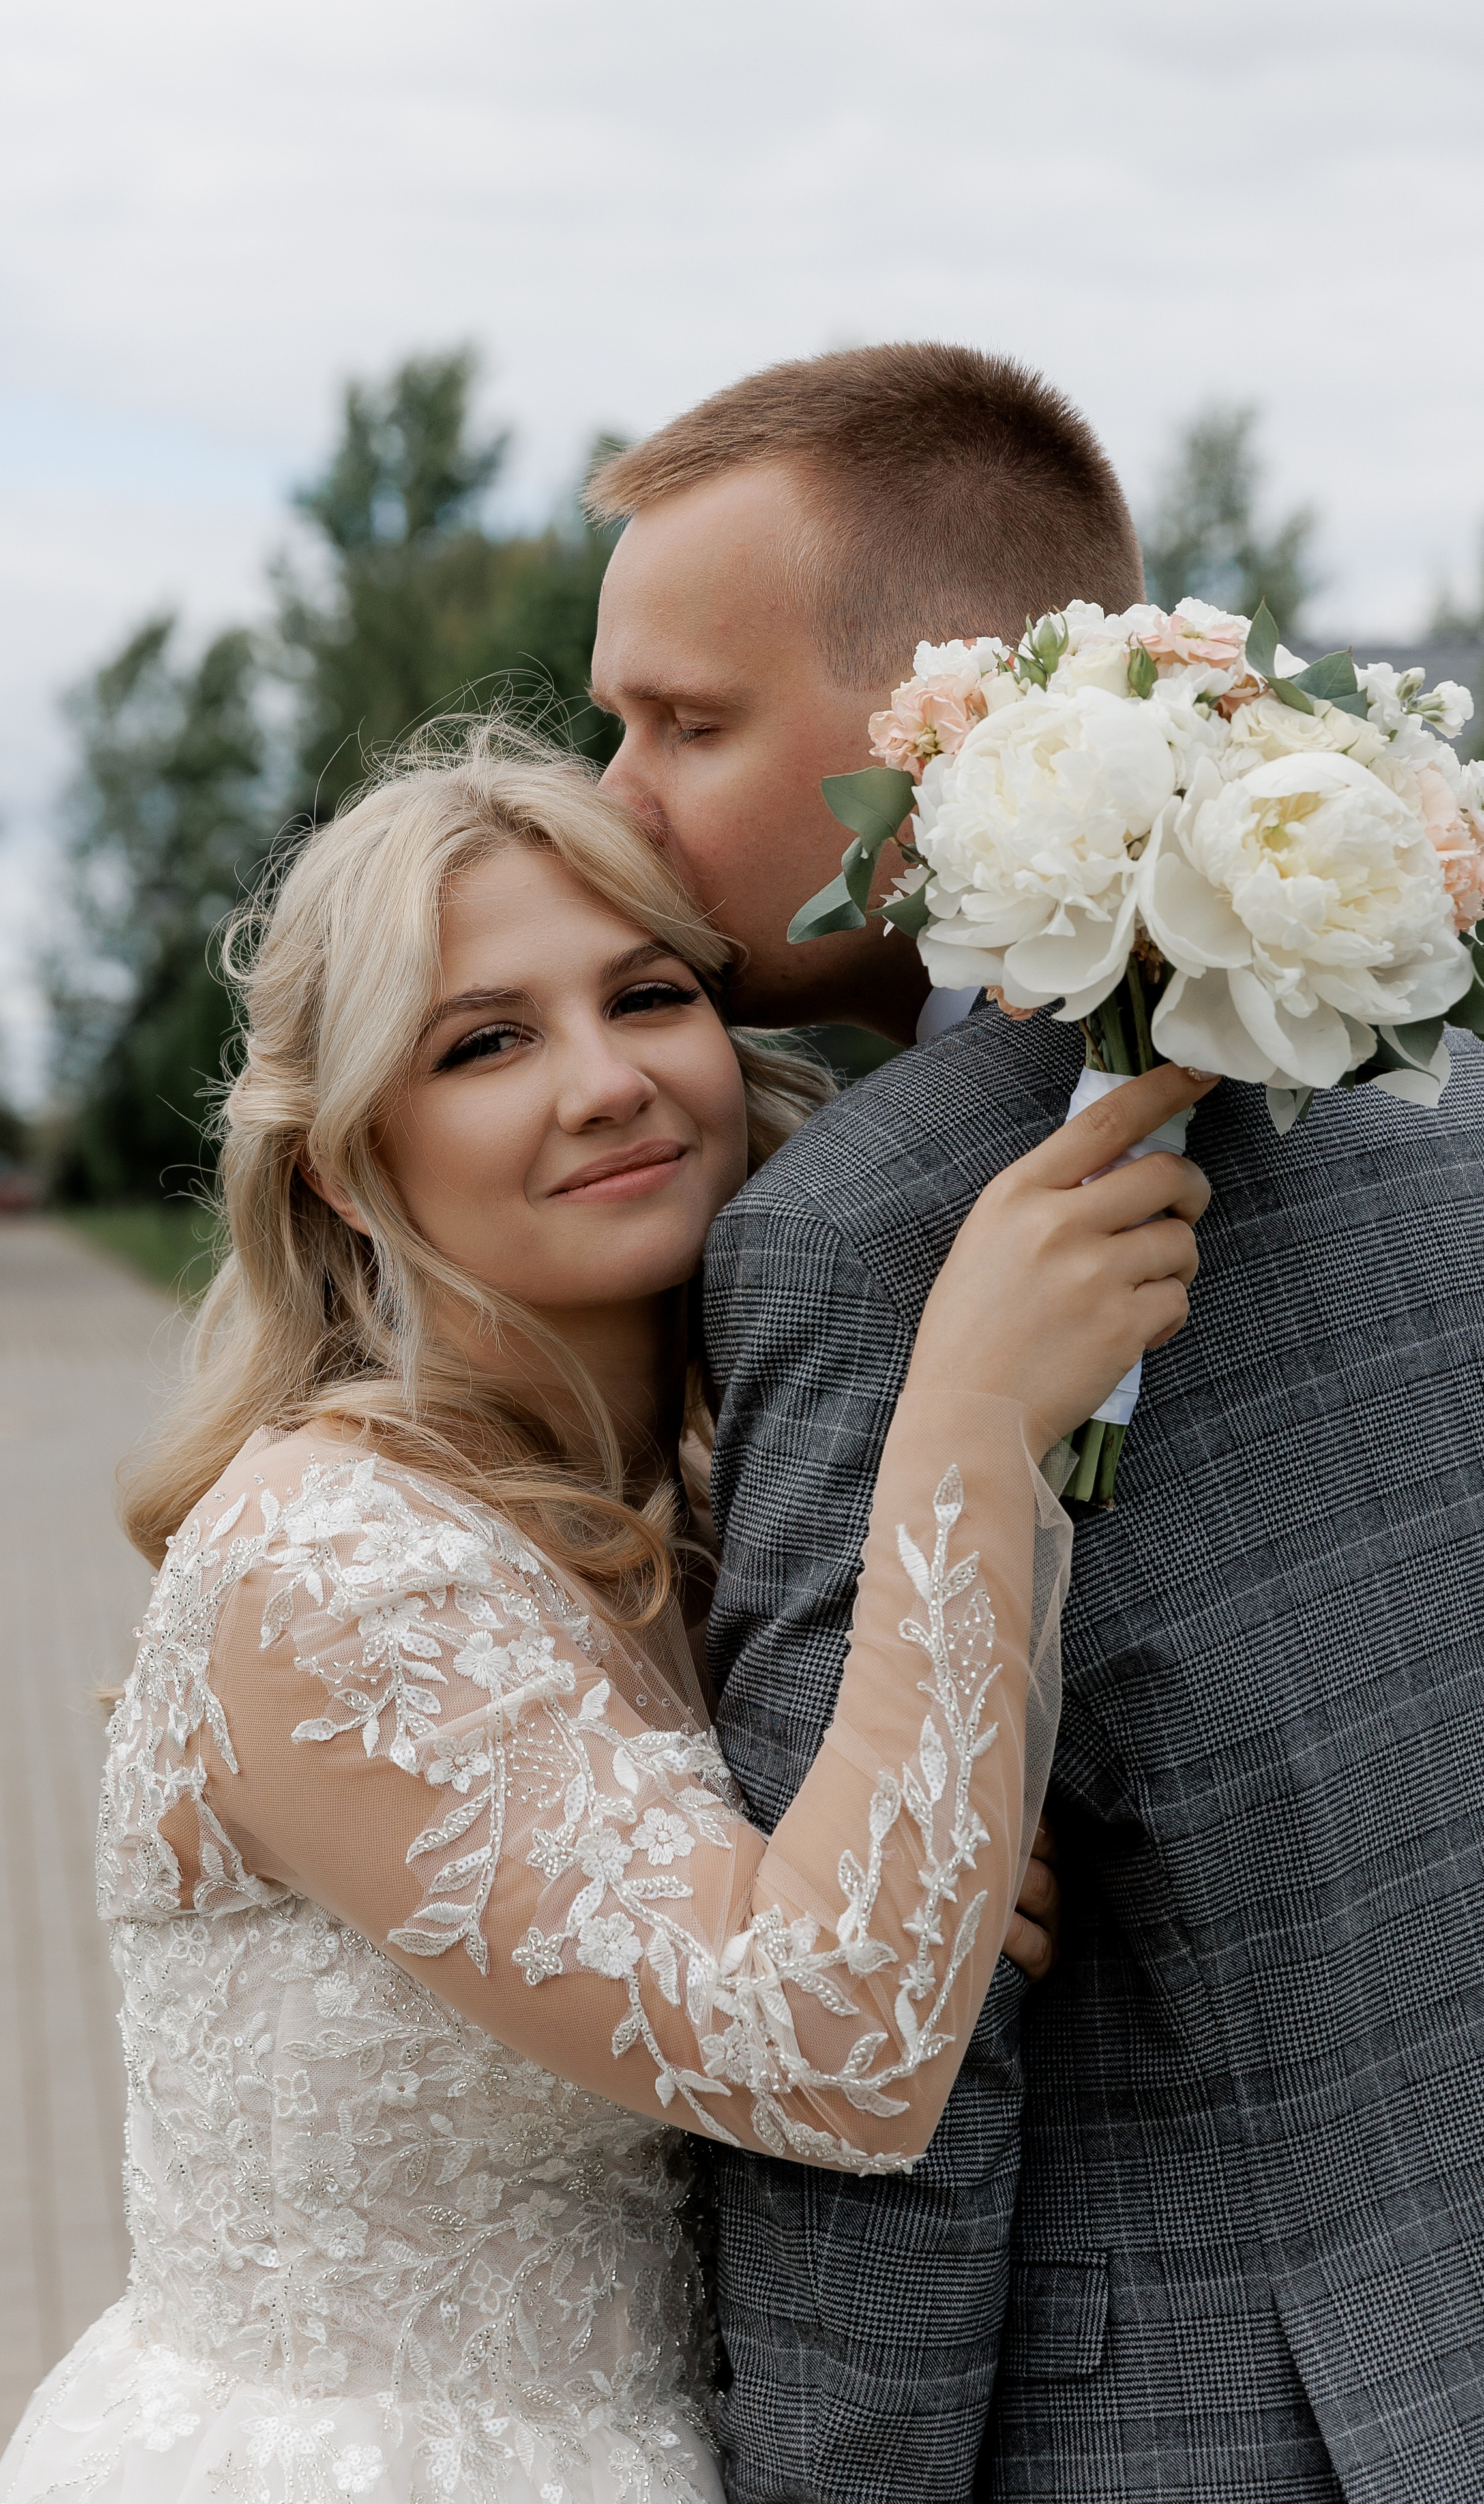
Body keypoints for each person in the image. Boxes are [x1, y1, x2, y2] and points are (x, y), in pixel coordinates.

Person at [0, 730, 1210, 2504]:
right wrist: (973, 1415)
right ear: (343, 1164)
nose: (608, 1080)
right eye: (487, 1042)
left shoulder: (719, 1498)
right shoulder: (330, 1565)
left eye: (647, 998)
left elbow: (861, 1913)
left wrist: (912, 1847)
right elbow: (838, 2045)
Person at [586, 342, 1484, 2503]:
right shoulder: (1439, 1114)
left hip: (1173, 2420)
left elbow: (891, 2044)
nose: (610, 793)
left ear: (938, 731)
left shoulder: (860, 1240)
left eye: (685, 725)